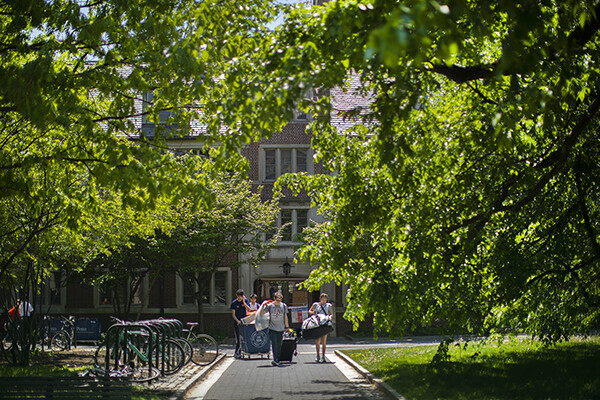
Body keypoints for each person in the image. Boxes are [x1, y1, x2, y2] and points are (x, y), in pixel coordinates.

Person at [260, 291, 289, 366]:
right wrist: (263, 305)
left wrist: (287, 327)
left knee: (279, 345)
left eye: (280, 300)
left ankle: (278, 358)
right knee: (274, 344)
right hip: (272, 328)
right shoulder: (270, 306)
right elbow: (262, 313)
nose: (278, 302)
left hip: (281, 328)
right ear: (274, 299)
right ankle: (275, 359)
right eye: (277, 300)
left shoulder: (283, 306)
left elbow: (285, 316)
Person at [309, 293, 333, 363]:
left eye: (325, 300)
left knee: (324, 341)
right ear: (320, 299)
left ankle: (323, 356)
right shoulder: (316, 305)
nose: (324, 301)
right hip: (318, 323)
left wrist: (330, 317)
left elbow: (331, 313)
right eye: (323, 299)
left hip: (324, 323)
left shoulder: (328, 305)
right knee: (317, 340)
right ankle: (317, 355)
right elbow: (310, 311)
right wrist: (313, 312)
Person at [230, 289, 250, 359]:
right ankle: (237, 352)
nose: (240, 298)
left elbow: (248, 309)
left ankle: (244, 351)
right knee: (238, 338)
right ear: (236, 295)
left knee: (245, 337)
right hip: (237, 322)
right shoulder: (234, 303)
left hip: (244, 322)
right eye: (238, 296)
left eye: (241, 296)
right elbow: (233, 314)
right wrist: (238, 321)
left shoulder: (245, 300)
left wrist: (244, 302)